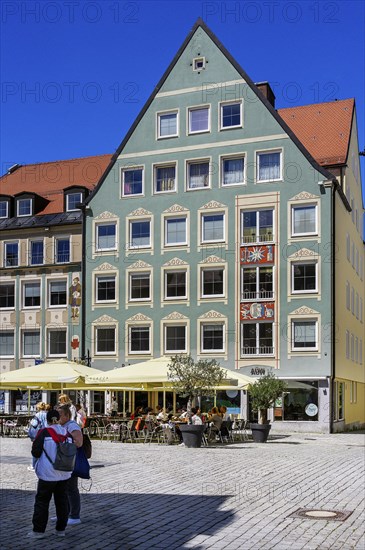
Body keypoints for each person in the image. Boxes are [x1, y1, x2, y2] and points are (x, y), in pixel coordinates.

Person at [28, 409, 72, 539]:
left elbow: (35, 452)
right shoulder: (66, 432)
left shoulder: (43, 432)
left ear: (46, 419)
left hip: (47, 472)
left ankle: (38, 531)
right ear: (58, 418)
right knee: (62, 501)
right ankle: (60, 530)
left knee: (42, 501)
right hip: (64, 472)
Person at [57, 404, 83, 526]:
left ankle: (74, 515)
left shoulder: (72, 425)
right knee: (63, 488)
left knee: (71, 488)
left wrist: (64, 441)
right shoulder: (60, 425)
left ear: (67, 415)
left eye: (60, 415)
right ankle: (64, 514)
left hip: (70, 460)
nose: (57, 417)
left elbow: (79, 442)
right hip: (63, 460)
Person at [28, 402, 48, 471]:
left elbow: (34, 424)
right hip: (46, 433)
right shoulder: (47, 414)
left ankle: (34, 465)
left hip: (38, 434)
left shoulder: (37, 415)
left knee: (36, 449)